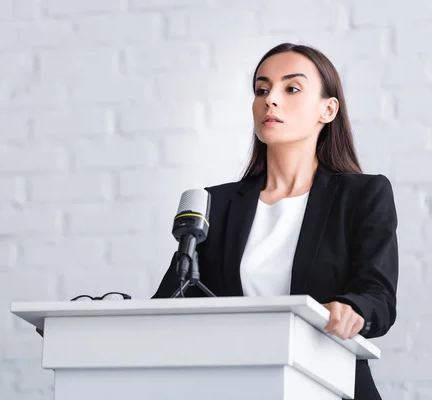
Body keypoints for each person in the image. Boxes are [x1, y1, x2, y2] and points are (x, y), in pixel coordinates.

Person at [151, 43, 399, 400]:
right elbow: (169, 302)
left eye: (291, 89)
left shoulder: (362, 195)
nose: (271, 100)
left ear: (327, 110)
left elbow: (379, 296)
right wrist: (89, 331)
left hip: (330, 385)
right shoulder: (215, 203)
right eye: (262, 90)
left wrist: (354, 310)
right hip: (234, 388)